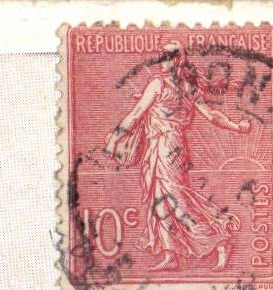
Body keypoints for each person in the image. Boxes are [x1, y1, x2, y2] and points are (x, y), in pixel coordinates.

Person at [103, 40, 251, 272]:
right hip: (172, 146)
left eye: (167, 57)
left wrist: (115, 138)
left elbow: (136, 115)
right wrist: (236, 125)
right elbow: (211, 114)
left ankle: (219, 240)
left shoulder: (158, 84)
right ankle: (171, 254)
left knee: (175, 199)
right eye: (161, 58)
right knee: (160, 198)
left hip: (165, 145)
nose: (162, 62)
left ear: (177, 59)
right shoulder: (187, 86)